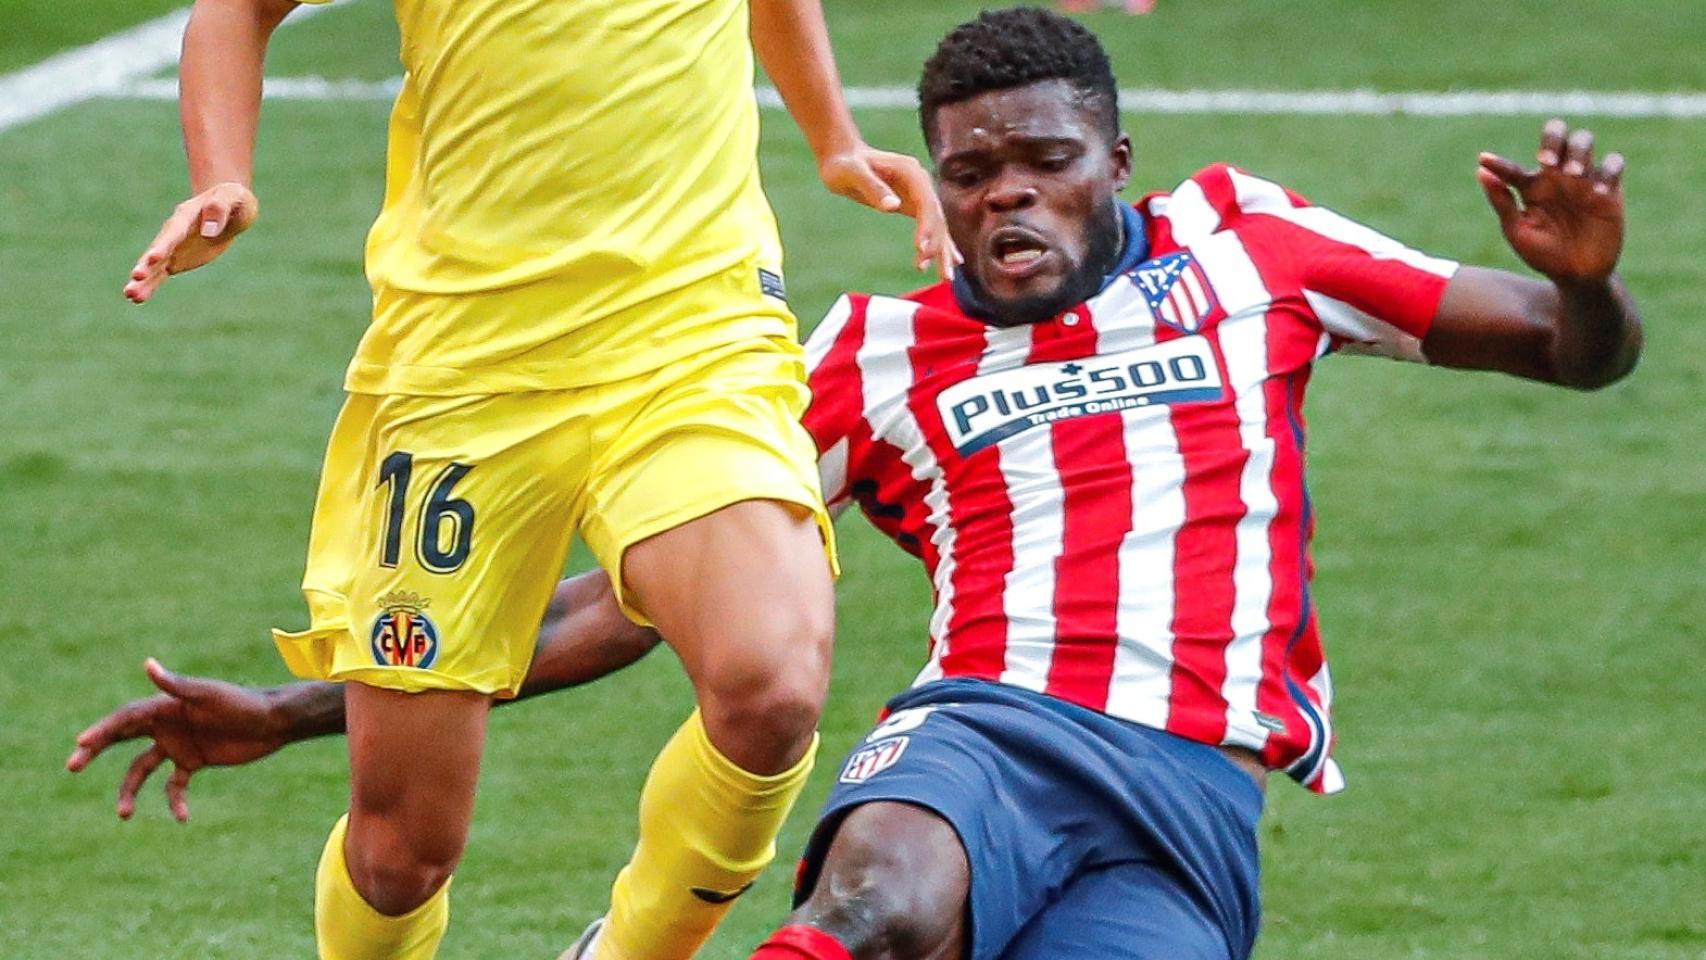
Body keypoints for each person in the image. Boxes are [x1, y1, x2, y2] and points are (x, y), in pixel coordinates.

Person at [85, 7, 1640, 959]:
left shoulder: (1250, 244)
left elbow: (1571, 356)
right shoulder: (875, 352)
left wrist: (1583, 288)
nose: (1006, 198)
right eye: (968, 175)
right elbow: (627, 612)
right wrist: (311, 709)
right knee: (859, 896)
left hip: (1186, 794)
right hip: (979, 728)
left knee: (827, 767)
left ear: (1117, 158)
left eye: (1042, 163)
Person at [115, 0, 956, 957]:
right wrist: (222, 176)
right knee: (403, 854)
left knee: (771, 683)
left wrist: (833, 136)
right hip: (461, 368)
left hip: (688, 332)